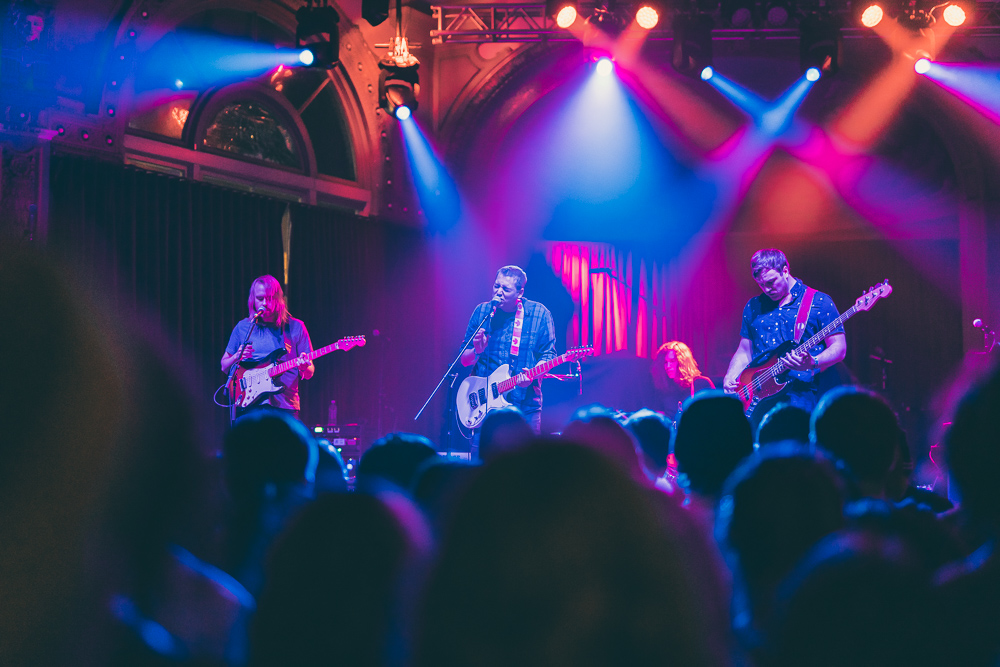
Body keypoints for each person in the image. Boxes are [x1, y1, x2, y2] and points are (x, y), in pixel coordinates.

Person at [723, 249, 846, 428]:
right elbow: (744, 351)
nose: (767, 289)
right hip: (757, 399)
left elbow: (839, 348)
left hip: (800, 396)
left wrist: (813, 361)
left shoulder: (819, 302)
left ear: (785, 271)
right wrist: (731, 375)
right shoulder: (754, 306)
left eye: (771, 282)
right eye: (761, 284)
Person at [460, 265, 556, 434]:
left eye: (506, 289)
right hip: (485, 407)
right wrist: (477, 351)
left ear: (520, 293)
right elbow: (464, 360)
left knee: (527, 451)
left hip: (525, 405)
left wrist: (533, 374)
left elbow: (548, 355)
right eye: (496, 286)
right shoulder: (482, 311)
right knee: (484, 452)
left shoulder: (539, 314)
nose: (498, 292)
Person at [222, 275, 314, 417]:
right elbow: (224, 366)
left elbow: (309, 372)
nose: (265, 303)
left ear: (279, 299)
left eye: (270, 298)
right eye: (260, 298)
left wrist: (304, 367)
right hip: (249, 407)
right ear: (253, 300)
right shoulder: (243, 327)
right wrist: (236, 356)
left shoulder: (296, 327)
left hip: (285, 406)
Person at [651, 341, 716, 422]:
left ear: (682, 362)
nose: (668, 366)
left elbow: (714, 413)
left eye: (672, 361)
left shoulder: (701, 384)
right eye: (665, 362)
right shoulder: (664, 389)